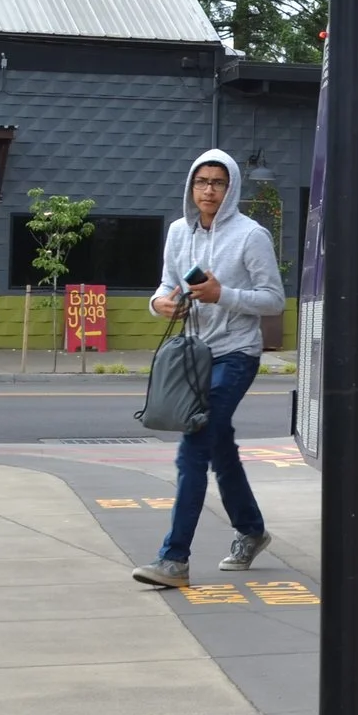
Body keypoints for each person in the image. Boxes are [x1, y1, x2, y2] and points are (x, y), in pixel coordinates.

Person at [130, 149, 282, 587]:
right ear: (191, 187)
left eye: (218, 182)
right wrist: (160, 304)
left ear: (231, 187)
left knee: (194, 444)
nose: (209, 189)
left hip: (236, 354)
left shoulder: (252, 236)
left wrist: (223, 295)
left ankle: (173, 560)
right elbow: (165, 284)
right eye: (202, 182)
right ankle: (251, 530)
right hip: (192, 354)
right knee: (218, 445)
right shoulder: (179, 232)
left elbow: (272, 299)